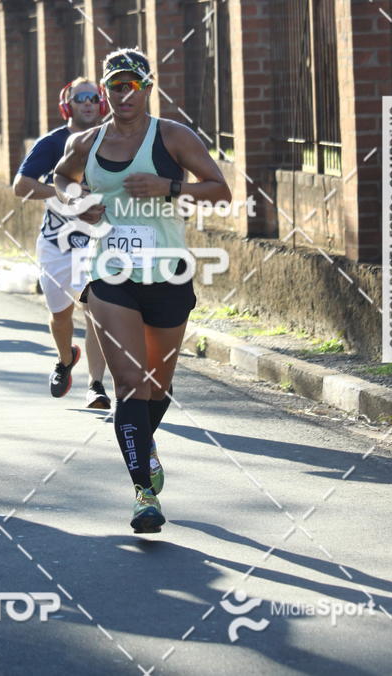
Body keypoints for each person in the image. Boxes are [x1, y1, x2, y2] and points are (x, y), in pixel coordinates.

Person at [54, 49, 231, 533]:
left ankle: (143, 440)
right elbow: (61, 180)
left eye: (132, 85)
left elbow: (220, 189)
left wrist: (169, 189)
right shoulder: (87, 142)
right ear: (105, 90)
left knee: (156, 387)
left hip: (168, 275)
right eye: (115, 86)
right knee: (130, 385)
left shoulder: (173, 137)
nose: (122, 94)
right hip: (110, 275)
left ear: (147, 88)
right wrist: (78, 204)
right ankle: (143, 494)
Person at [13, 79, 110, 408]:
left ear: (102, 103)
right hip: (55, 242)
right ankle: (65, 358)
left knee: (94, 308)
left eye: (94, 98)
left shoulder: (113, 140)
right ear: (66, 105)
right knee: (60, 313)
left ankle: (96, 385)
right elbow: (20, 186)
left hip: (95, 242)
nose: (88, 103)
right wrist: (62, 191)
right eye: (80, 98)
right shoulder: (52, 143)